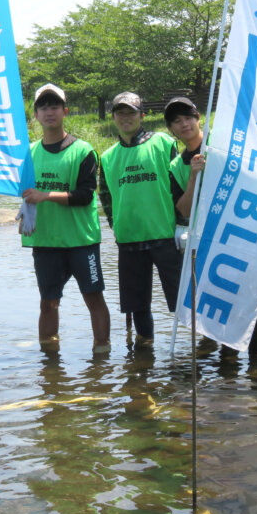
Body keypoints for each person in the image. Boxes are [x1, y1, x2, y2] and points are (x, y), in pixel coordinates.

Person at [0, 83, 110, 353]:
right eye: (43, 107)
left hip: (82, 240)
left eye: (54, 106)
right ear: (35, 115)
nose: (49, 112)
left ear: (65, 111)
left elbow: (85, 195)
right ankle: (48, 364)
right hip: (45, 242)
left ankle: (102, 357)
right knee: (48, 302)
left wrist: (46, 195)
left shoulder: (83, 151)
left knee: (93, 298)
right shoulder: (27, 154)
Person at [164, 95, 257, 359]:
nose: (184, 124)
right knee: (218, 302)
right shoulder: (176, 166)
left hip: (241, 232)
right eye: (176, 121)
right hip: (209, 243)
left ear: (198, 118)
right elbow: (185, 210)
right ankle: (228, 363)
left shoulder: (223, 145)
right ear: (171, 130)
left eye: (188, 117)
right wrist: (193, 175)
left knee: (252, 301)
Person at [99, 91, 182, 348]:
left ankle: (205, 346)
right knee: (137, 306)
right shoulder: (108, 156)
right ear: (113, 118)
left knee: (183, 299)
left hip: (165, 235)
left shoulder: (163, 143)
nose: (126, 118)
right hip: (129, 239)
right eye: (120, 113)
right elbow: (106, 198)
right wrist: (117, 226)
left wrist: (182, 224)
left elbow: (177, 185)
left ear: (142, 115)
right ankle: (144, 351)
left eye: (131, 112)